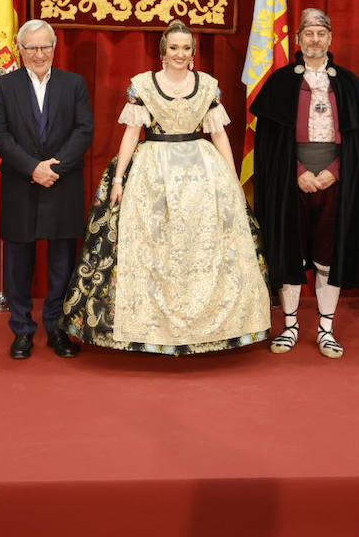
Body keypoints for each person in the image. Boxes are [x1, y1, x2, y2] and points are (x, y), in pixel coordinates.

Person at [60, 21, 269, 354]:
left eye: (186, 48)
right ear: (163, 51)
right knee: (150, 245)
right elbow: (130, 133)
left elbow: (217, 135)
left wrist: (230, 179)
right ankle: (146, 328)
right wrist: (118, 179)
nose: (180, 54)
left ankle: (209, 327)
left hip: (201, 171)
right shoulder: (142, 85)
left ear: (193, 52)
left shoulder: (208, 86)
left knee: (199, 246)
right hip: (152, 171)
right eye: (174, 48)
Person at [252, 8, 359, 358]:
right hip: (292, 180)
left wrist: (335, 171)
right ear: (297, 39)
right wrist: (297, 172)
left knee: (328, 253)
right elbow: (269, 146)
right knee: (290, 251)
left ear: (330, 39)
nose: (315, 39)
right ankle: (290, 325)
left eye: (321, 33)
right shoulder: (279, 83)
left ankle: (326, 328)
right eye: (308, 33)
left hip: (335, 180)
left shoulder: (350, 84)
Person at [0, 19, 94, 359]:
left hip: (63, 183)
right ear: (20, 50)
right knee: (19, 263)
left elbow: (83, 131)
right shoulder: (4, 87)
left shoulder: (74, 84)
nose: (38, 53)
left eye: (44, 46)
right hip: (21, 183)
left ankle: (57, 327)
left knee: (62, 262)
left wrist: (53, 168)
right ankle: (21, 330)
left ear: (54, 47)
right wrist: (33, 168)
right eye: (31, 47)